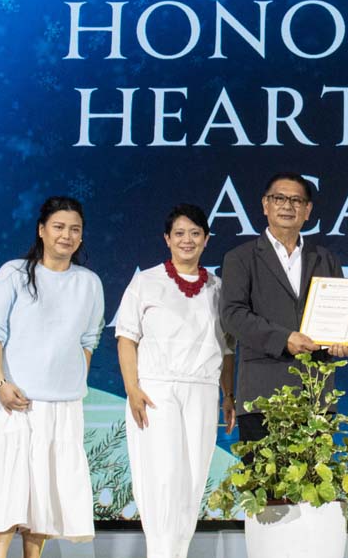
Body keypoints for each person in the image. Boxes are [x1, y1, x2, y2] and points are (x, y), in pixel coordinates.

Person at [0, 196, 105, 558]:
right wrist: (0, 383)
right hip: (13, 400)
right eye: (58, 227)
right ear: (41, 230)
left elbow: (89, 338)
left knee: (43, 494)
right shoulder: (15, 272)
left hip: (61, 406)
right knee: (7, 490)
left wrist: (71, 378)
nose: (66, 236)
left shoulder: (89, 282)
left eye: (75, 229)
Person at [115, 203, 236, 558]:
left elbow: (228, 349)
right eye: (179, 233)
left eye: (195, 233)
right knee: (163, 479)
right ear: (167, 239)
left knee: (192, 481)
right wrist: (132, 388)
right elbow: (126, 337)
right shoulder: (146, 282)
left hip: (203, 391)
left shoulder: (218, 288)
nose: (187, 240)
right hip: (156, 390)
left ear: (206, 239)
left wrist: (228, 394)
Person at [219, 173, 348, 444]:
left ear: (308, 210)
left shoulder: (326, 259)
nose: (287, 206)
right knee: (262, 473)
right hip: (263, 397)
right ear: (265, 205)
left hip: (316, 396)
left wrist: (340, 340)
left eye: (296, 200)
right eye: (279, 198)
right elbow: (233, 315)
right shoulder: (240, 258)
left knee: (317, 472)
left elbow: (336, 317)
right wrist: (284, 339)